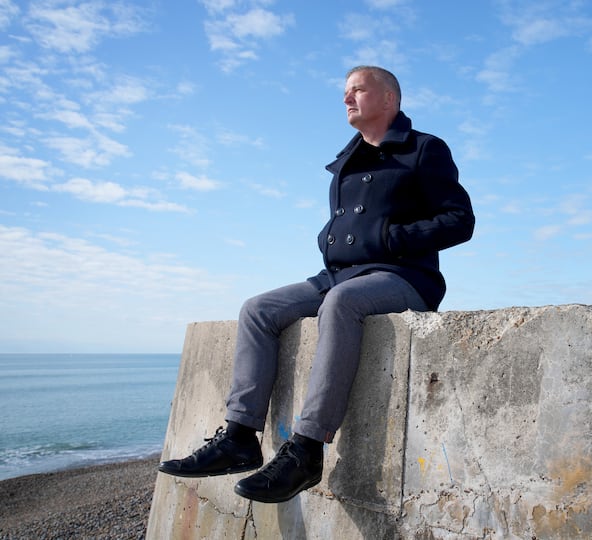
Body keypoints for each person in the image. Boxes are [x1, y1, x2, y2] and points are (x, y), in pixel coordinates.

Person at [158, 66, 475, 504]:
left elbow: (460, 221)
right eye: (345, 92)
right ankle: (239, 436)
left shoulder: (424, 149)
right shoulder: (345, 161)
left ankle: (307, 448)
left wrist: (390, 237)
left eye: (357, 90)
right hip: (340, 275)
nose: (347, 99)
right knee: (258, 308)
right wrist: (328, 238)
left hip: (405, 277)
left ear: (388, 99)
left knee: (341, 303)